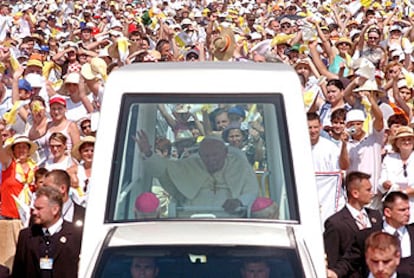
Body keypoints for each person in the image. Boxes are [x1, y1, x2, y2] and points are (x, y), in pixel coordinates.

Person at [135, 130, 258, 214]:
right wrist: (148, 154)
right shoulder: (191, 164)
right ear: (200, 155)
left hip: (230, 218)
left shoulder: (240, 165)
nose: (211, 160)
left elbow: (252, 192)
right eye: (206, 156)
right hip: (192, 216)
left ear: (225, 153)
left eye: (215, 155)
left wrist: (239, 201)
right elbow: (163, 170)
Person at [327, 191, 414, 277]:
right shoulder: (366, 236)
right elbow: (350, 261)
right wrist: (334, 273)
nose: (408, 213)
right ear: (388, 212)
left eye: (408, 209)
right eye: (402, 210)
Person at [12, 186, 82, 278]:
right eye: (34, 208)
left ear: (55, 210)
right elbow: (18, 272)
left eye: (39, 208)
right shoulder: (26, 235)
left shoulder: (75, 234)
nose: (34, 212)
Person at [324, 171, 382, 271]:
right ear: (355, 193)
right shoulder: (335, 223)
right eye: (368, 190)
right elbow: (333, 260)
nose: (372, 193)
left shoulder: (375, 216)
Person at [378, 126, 414, 223]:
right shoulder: (389, 158)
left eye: (409, 139)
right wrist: (385, 184)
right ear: (397, 143)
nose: (406, 142)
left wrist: (403, 193)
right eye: (403, 139)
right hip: (393, 209)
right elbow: (381, 181)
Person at [0, 135, 38, 219]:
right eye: (18, 147)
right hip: (7, 216)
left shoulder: (35, 168)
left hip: (28, 217)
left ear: (28, 150)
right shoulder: (8, 163)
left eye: (24, 147)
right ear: (13, 150)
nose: (21, 150)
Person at [67, 135, 95, 207]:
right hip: (78, 207)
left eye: (92, 150)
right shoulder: (74, 170)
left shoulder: (102, 169)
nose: (89, 153)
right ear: (81, 153)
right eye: (86, 151)